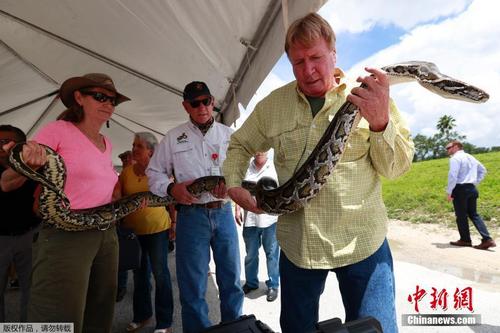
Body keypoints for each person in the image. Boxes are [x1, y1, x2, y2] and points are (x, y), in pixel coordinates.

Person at [223, 13, 414, 333]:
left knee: (377, 329)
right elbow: (239, 145)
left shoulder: (370, 95)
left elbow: (396, 169)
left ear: (334, 54)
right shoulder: (273, 106)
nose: (308, 69)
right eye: (298, 61)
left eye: (315, 58)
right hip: (301, 248)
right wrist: (233, 185)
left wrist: (381, 123)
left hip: (362, 243)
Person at [1, 73, 130, 333]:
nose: (108, 104)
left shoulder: (107, 143)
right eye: (100, 97)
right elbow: (7, 181)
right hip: (66, 235)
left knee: (100, 309)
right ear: (79, 98)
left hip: (106, 234)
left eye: (112, 100)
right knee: (58, 316)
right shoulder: (58, 130)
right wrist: (27, 161)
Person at [146, 81, 244, 333]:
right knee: (192, 286)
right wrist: (171, 188)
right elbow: (154, 173)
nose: (202, 106)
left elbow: (241, 171)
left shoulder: (229, 135)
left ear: (212, 101)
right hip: (191, 216)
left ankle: (232, 328)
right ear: (185, 106)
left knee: (231, 282)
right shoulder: (172, 138)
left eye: (206, 101)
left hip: (223, 213)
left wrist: (233, 186)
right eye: (195, 103)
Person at [119, 132, 174, 333]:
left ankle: (165, 322)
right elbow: (118, 197)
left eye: (138, 146)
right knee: (140, 275)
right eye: (133, 145)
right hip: (133, 232)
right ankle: (142, 316)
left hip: (158, 229)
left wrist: (174, 223)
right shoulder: (126, 173)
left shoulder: (160, 172)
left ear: (151, 151)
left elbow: (171, 199)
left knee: (161, 274)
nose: (134, 149)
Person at [0, 125, 41, 322]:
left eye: (5, 141)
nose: (0, 147)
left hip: (30, 236)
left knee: (33, 292)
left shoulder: (36, 168)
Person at [235, 151, 280, 302]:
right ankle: (251, 283)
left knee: (272, 254)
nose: (260, 151)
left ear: (268, 150)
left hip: (270, 220)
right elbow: (238, 189)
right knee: (251, 254)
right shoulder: (246, 168)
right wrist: (237, 208)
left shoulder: (275, 167)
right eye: (257, 149)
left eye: (263, 149)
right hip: (250, 219)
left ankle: (273, 285)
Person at [446, 140, 496, 250]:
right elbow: (483, 170)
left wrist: (449, 192)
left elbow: (453, 176)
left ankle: (465, 240)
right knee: (474, 214)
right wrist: (474, 182)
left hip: (460, 189)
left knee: (461, 216)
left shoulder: (455, 158)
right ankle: (487, 239)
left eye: (448, 147)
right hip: (472, 189)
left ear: (456, 146)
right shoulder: (470, 157)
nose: (447, 150)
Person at [116, 149, 134, 303]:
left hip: (144, 223)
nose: (125, 162)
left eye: (127, 159)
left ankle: (144, 285)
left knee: (143, 259)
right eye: (123, 160)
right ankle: (121, 286)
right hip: (124, 221)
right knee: (123, 257)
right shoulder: (121, 177)